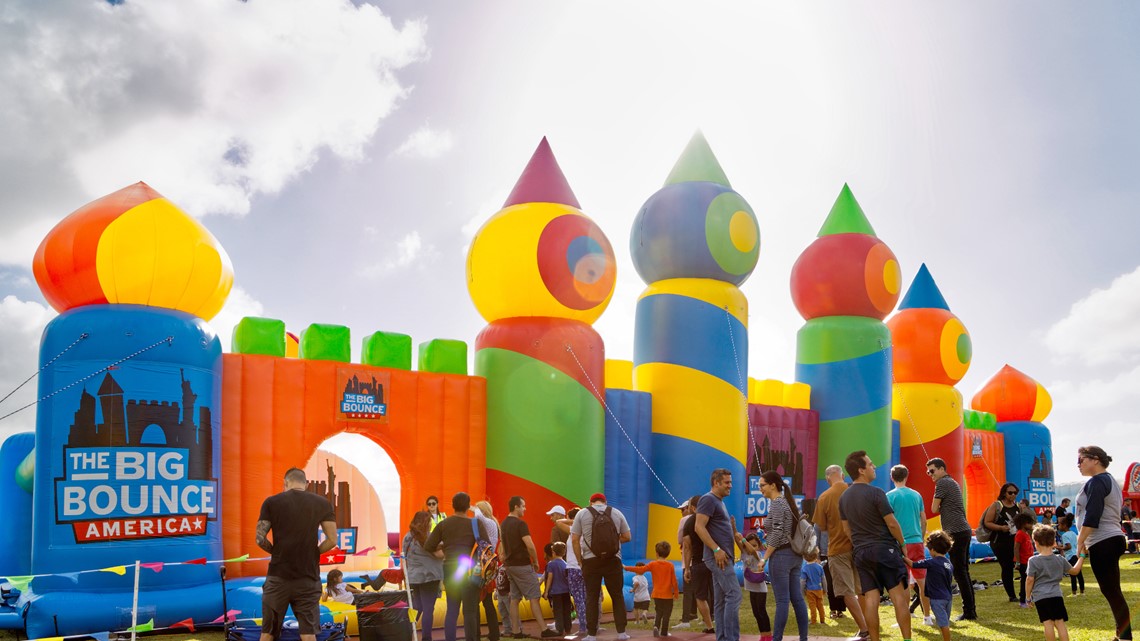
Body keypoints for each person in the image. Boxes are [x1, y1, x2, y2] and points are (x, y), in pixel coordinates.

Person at [255, 467, 338, 641]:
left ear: (285, 483)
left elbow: (260, 538)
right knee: (308, 634)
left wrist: (276, 551)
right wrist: (314, 553)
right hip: (308, 578)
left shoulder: (271, 502)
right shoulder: (322, 503)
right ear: (306, 484)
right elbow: (332, 540)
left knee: (268, 633)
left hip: (278, 577)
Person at [840, 451, 911, 641]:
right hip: (885, 549)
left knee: (871, 600)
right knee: (899, 598)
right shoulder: (876, 492)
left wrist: (860, 545)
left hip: (861, 552)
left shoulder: (844, 497)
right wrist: (903, 545)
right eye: (871, 464)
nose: (874, 467)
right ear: (861, 470)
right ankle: (908, 639)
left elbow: (847, 530)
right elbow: (892, 523)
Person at [1075, 445, 1132, 640]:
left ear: (1095, 460)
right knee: (1113, 591)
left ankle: (1125, 637)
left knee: (1111, 592)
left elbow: (1092, 516)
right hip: (1112, 539)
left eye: (1081, 460)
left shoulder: (1098, 481)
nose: (1078, 464)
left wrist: (1080, 541)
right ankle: (1121, 634)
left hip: (1103, 540)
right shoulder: (1108, 480)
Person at [425, 492, 492, 641]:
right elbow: (487, 547)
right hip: (470, 570)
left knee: (452, 610)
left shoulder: (444, 524)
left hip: (450, 569)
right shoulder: (475, 524)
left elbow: (428, 545)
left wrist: (444, 546)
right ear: (468, 506)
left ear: (453, 506)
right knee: (470, 612)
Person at [813, 464, 868, 637]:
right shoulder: (856, 491)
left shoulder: (824, 497)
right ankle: (867, 626)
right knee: (861, 590)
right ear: (842, 476)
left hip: (837, 548)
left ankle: (865, 629)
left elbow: (820, 526)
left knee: (846, 591)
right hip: (860, 547)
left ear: (828, 477)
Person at [571, 492, 633, 641]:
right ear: (605, 502)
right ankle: (621, 633)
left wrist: (580, 560)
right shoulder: (616, 513)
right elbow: (627, 536)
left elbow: (574, 539)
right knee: (617, 596)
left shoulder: (582, 514)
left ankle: (591, 634)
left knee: (591, 597)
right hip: (613, 560)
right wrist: (613, 542)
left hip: (591, 561)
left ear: (590, 502)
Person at [758, 470, 809, 641]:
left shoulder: (777, 503)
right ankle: (804, 638)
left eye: (762, 485)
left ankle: (777, 638)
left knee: (782, 601)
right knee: (797, 599)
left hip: (781, 556)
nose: (761, 489)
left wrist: (764, 557)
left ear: (773, 485)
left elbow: (778, 532)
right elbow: (782, 529)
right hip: (795, 556)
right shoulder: (786, 502)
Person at [694, 468, 745, 641]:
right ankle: (731, 638)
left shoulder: (718, 501)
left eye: (731, 482)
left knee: (722, 600)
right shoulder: (708, 500)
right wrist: (716, 550)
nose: (730, 486)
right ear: (716, 483)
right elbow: (698, 527)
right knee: (734, 594)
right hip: (718, 558)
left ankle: (723, 637)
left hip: (722, 557)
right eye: (727, 483)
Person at [500, 496, 557, 639]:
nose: (525, 509)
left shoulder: (504, 524)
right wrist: (536, 561)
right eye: (523, 506)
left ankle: (516, 631)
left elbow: (502, 545)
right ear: (516, 507)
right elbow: (530, 545)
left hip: (510, 565)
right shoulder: (520, 524)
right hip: (522, 565)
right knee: (534, 596)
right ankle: (544, 629)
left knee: (514, 598)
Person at [926, 457, 976, 621]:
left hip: (956, 532)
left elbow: (933, 508)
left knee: (960, 573)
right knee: (964, 572)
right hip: (963, 530)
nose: (930, 474)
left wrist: (941, 507)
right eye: (928, 472)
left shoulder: (942, 483)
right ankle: (970, 610)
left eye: (932, 471)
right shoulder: (951, 482)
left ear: (941, 469)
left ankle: (969, 612)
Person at [885, 464, 930, 625]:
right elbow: (923, 520)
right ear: (907, 476)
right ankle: (927, 617)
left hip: (899, 543)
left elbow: (888, 522)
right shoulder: (916, 495)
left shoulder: (889, 496)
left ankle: (905, 616)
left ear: (892, 477)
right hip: (916, 541)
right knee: (922, 581)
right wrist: (921, 536)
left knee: (902, 583)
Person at [1026, 524, 1086, 641]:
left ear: (1036, 542)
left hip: (1040, 597)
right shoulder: (1060, 559)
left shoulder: (1033, 561)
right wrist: (1082, 556)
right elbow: (1075, 571)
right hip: (1056, 596)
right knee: (1060, 623)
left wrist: (1028, 597)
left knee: (1047, 623)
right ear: (1054, 542)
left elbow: (1029, 580)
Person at [902, 531, 953, 641]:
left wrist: (903, 557)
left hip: (937, 599)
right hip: (948, 597)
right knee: (945, 621)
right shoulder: (949, 564)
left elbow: (913, 564)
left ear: (933, 550)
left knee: (943, 624)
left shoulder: (931, 562)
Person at [404, 511, 445, 641]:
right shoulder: (427, 537)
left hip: (413, 577)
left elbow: (404, 557)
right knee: (428, 609)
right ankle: (426, 638)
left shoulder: (407, 537)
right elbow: (439, 555)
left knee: (417, 607)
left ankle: (406, 633)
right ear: (426, 523)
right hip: (429, 576)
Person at [625, 541, 680, 637]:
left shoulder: (653, 564)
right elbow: (674, 581)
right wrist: (676, 593)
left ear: (657, 553)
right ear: (668, 553)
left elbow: (640, 569)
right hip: (667, 595)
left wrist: (627, 568)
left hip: (657, 594)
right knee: (667, 614)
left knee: (659, 612)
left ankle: (656, 626)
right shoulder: (670, 565)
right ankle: (664, 632)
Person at [982, 483, 1022, 604]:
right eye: (1010, 492)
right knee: (1007, 567)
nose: (1013, 495)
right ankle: (1012, 595)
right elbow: (987, 522)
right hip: (1000, 542)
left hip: (1015, 541)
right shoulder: (997, 505)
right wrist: (1000, 528)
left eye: (1015, 493)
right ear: (1004, 493)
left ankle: (1024, 593)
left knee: (1023, 566)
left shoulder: (1018, 506)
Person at [553, 507, 587, 635]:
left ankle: (583, 627)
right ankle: (588, 625)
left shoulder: (574, 530)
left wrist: (573, 520)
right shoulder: (587, 531)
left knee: (579, 599)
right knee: (585, 598)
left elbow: (559, 522)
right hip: (584, 568)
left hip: (574, 568)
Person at [474, 500, 503, 641]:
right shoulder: (493, 524)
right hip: (488, 566)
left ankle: (477, 634)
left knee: (477, 601)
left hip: (483, 566)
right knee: (487, 601)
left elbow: (477, 516)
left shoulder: (488, 523)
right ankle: (494, 633)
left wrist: (471, 506)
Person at [674, 497, 700, 630]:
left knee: (688, 590)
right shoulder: (704, 518)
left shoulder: (685, 520)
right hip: (702, 559)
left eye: (683, 509)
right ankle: (696, 614)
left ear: (689, 508)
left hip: (689, 560)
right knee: (703, 589)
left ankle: (686, 618)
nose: (682, 512)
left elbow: (680, 539)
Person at [742, 532, 772, 641]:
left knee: (761, 611)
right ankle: (763, 634)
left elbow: (753, 551)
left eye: (755, 545)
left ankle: (768, 635)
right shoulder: (744, 554)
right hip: (751, 588)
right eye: (750, 545)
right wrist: (734, 529)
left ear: (758, 546)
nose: (752, 547)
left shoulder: (758, 555)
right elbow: (737, 540)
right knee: (756, 613)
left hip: (760, 589)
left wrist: (744, 541)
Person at [543, 542, 573, 636]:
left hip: (556, 592)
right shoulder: (566, 564)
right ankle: (568, 628)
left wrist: (546, 591)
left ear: (553, 552)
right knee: (566, 610)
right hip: (566, 591)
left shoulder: (551, 564)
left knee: (558, 611)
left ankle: (559, 629)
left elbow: (550, 578)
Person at [1057, 515, 1084, 596]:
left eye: (1060, 524)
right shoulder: (1073, 533)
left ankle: (1074, 592)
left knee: (1072, 575)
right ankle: (1082, 592)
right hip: (1076, 555)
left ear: (1064, 525)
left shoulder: (1064, 535)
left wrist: (1059, 547)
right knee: (1079, 574)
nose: (1058, 526)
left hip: (1070, 557)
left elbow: (1068, 546)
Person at [1013, 512, 1036, 607]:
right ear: (1023, 524)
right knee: (1025, 582)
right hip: (1023, 562)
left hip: (1029, 561)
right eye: (1029, 523)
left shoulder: (1026, 533)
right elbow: (1016, 548)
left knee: (1031, 580)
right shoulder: (1019, 534)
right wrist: (1018, 562)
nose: (1031, 525)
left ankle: (1029, 598)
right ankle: (1023, 601)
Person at [801, 550, 825, 625]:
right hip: (819, 588)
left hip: (810, 590)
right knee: (820, 605)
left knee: (812, 605)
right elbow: (824, 580)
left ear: (804, 558)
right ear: (816, 556)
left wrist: (802, 591)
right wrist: (825, 589)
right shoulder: (820, 567)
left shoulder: (804, 568)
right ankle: (822, 620)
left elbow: (802, 582)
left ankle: (813, 620)